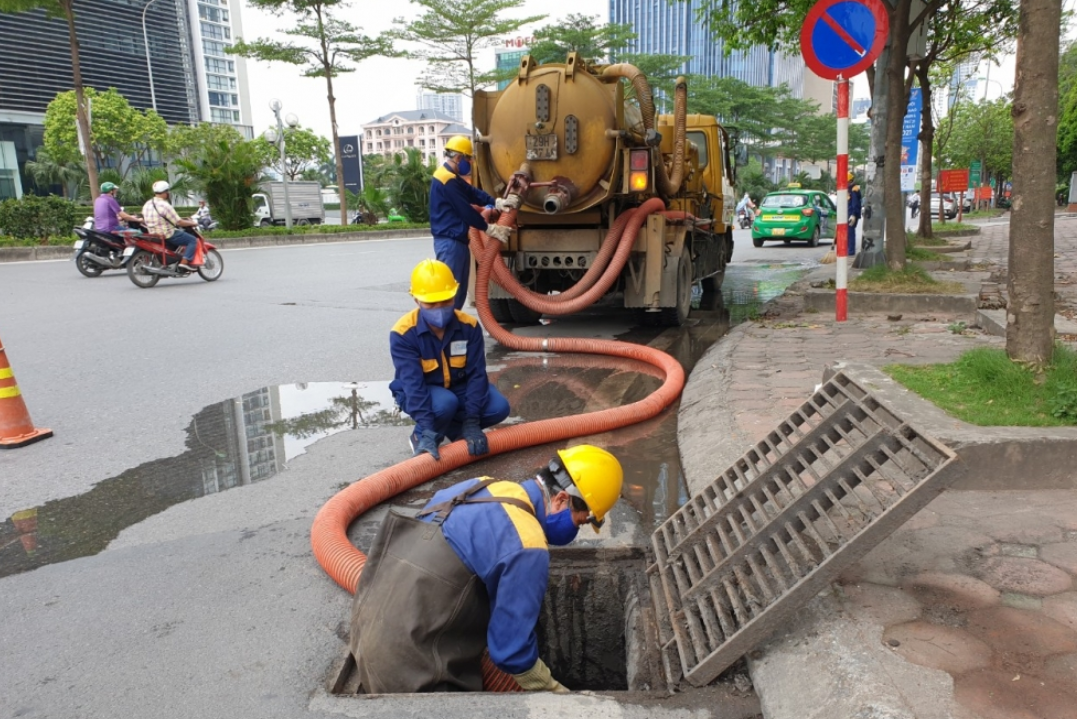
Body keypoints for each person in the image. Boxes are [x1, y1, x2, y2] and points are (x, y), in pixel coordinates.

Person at [348, 443, 624, 694]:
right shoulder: (527, 544)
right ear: (562, 499)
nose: (575, 531)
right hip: (414, 677)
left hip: (365, 641)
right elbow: (512, 653)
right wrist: (555, 693)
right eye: (580, 521)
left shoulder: (481, 486)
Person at [389, 259, 511, 459]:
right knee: (445, 403)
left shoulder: (469, 327)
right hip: (423, 392)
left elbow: (477, 375)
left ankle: (456, 430)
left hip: (457, 387)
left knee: (499, 407)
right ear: (416, 300)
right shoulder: (403, 333)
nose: (439, 308)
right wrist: (427, 427)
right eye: (431, 303)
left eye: (445, 301)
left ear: (454, 296)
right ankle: (422, 435)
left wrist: (472, 421)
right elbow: (413, 385)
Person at [430, 135, 518, 309]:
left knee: (458, 291)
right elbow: (465, 210)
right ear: (458, 157)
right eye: (468, 159)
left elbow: (472, 192)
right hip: (449, 243)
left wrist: (496, 202)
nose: (470, 163)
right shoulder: (447, 180)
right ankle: (446, 324)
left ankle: (453, 322)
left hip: (456, 242)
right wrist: (488, 228)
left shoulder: (450, 176)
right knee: (450, 293)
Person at [142, 180, 202, 270]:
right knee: (192, 240)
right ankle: (184, 263)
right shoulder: (165, 205)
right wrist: (193, 223)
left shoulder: (147, 204)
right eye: (168, 191)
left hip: (152, 233)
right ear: (165, 192)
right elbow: (179, 222)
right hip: (167, 234)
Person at [847, 172, 863, 255]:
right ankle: (849, 249)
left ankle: (851, 251)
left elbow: (855, 203)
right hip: (849, 213)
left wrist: (853, 214)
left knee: (850, 232)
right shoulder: (850, 189)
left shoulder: (854, 190)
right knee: (848, 232)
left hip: (852, 214)